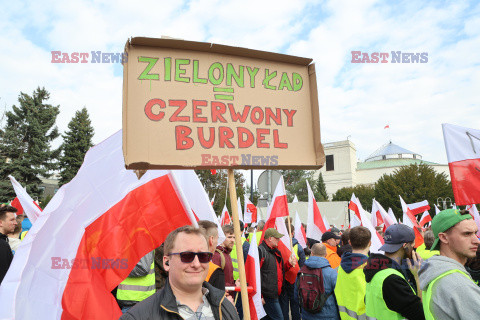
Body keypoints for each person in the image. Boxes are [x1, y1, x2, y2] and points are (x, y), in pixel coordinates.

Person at [121, 225, 239, 320]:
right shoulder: (138, 316)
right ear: (167, 262)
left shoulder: (225, 307)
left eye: (203, 256)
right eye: (187, 256)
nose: (196, 264)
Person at [419, 209, 480, 319]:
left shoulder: (436, 271)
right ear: (444, 237)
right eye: (467, 234)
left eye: (475, 233)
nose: (477, 240)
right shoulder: (458, 284)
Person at [364, 224, 425, 320]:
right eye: (413, 245)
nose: (414, 249)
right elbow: (421, 314)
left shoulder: (377, 269)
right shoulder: (392, 279)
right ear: (405, 245)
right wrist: (418, 276)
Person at [258, 228, 296, 320]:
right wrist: (260, 296)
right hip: (268, 296)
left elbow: (280, 270)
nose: (279, 240)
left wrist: (289, 264)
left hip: (276, 294)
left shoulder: (276, 252)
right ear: (270, 238)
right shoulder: (261, 251)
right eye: (277, 238)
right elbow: (255, 275)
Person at [295, 243, 339, 320]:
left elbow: (296, 296)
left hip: (307, 315)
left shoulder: (301, 271)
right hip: (328, 316)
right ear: (326, 254)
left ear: (311, 253)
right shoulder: (332, 273)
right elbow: (339, 297)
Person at [334, 226, 371, 320]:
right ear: (370, 243)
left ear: (349, 242)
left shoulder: (341, 266)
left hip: (344, 317)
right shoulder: (371, 268)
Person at [280, 224, 306, 320]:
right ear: (292, 233)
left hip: (283, 279)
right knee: (295, 304)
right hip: (295, 280)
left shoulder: (279, 246)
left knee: (284, 305)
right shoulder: (299, 247)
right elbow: (303, 266)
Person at [198, 220, 225, 291]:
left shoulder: (182, 264)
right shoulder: (215, 271)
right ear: (211, 239)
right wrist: (226, 301)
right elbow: (217, 301)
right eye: (217, 238)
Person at [0, 205, 17, 284]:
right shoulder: (2, 245)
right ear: (1, 222)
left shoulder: (3, 242)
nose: (15, 223)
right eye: (12, 220)